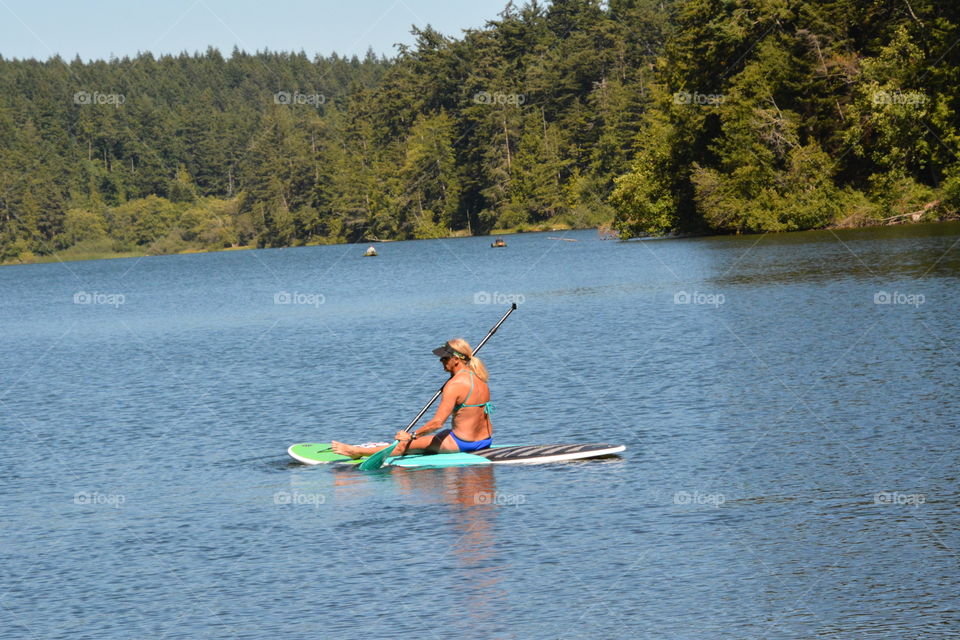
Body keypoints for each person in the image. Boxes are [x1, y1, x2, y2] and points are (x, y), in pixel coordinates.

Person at [330, 338, 494, 459]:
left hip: (462, 443)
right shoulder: (480, 379)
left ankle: (356, 452)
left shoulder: (454, 385)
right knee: (433, 439)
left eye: (444, 358)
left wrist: (413, 436)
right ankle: (423, 446)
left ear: (456, 359)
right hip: (485, 441)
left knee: (403, 446)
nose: (440, 360)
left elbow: (438, 422)